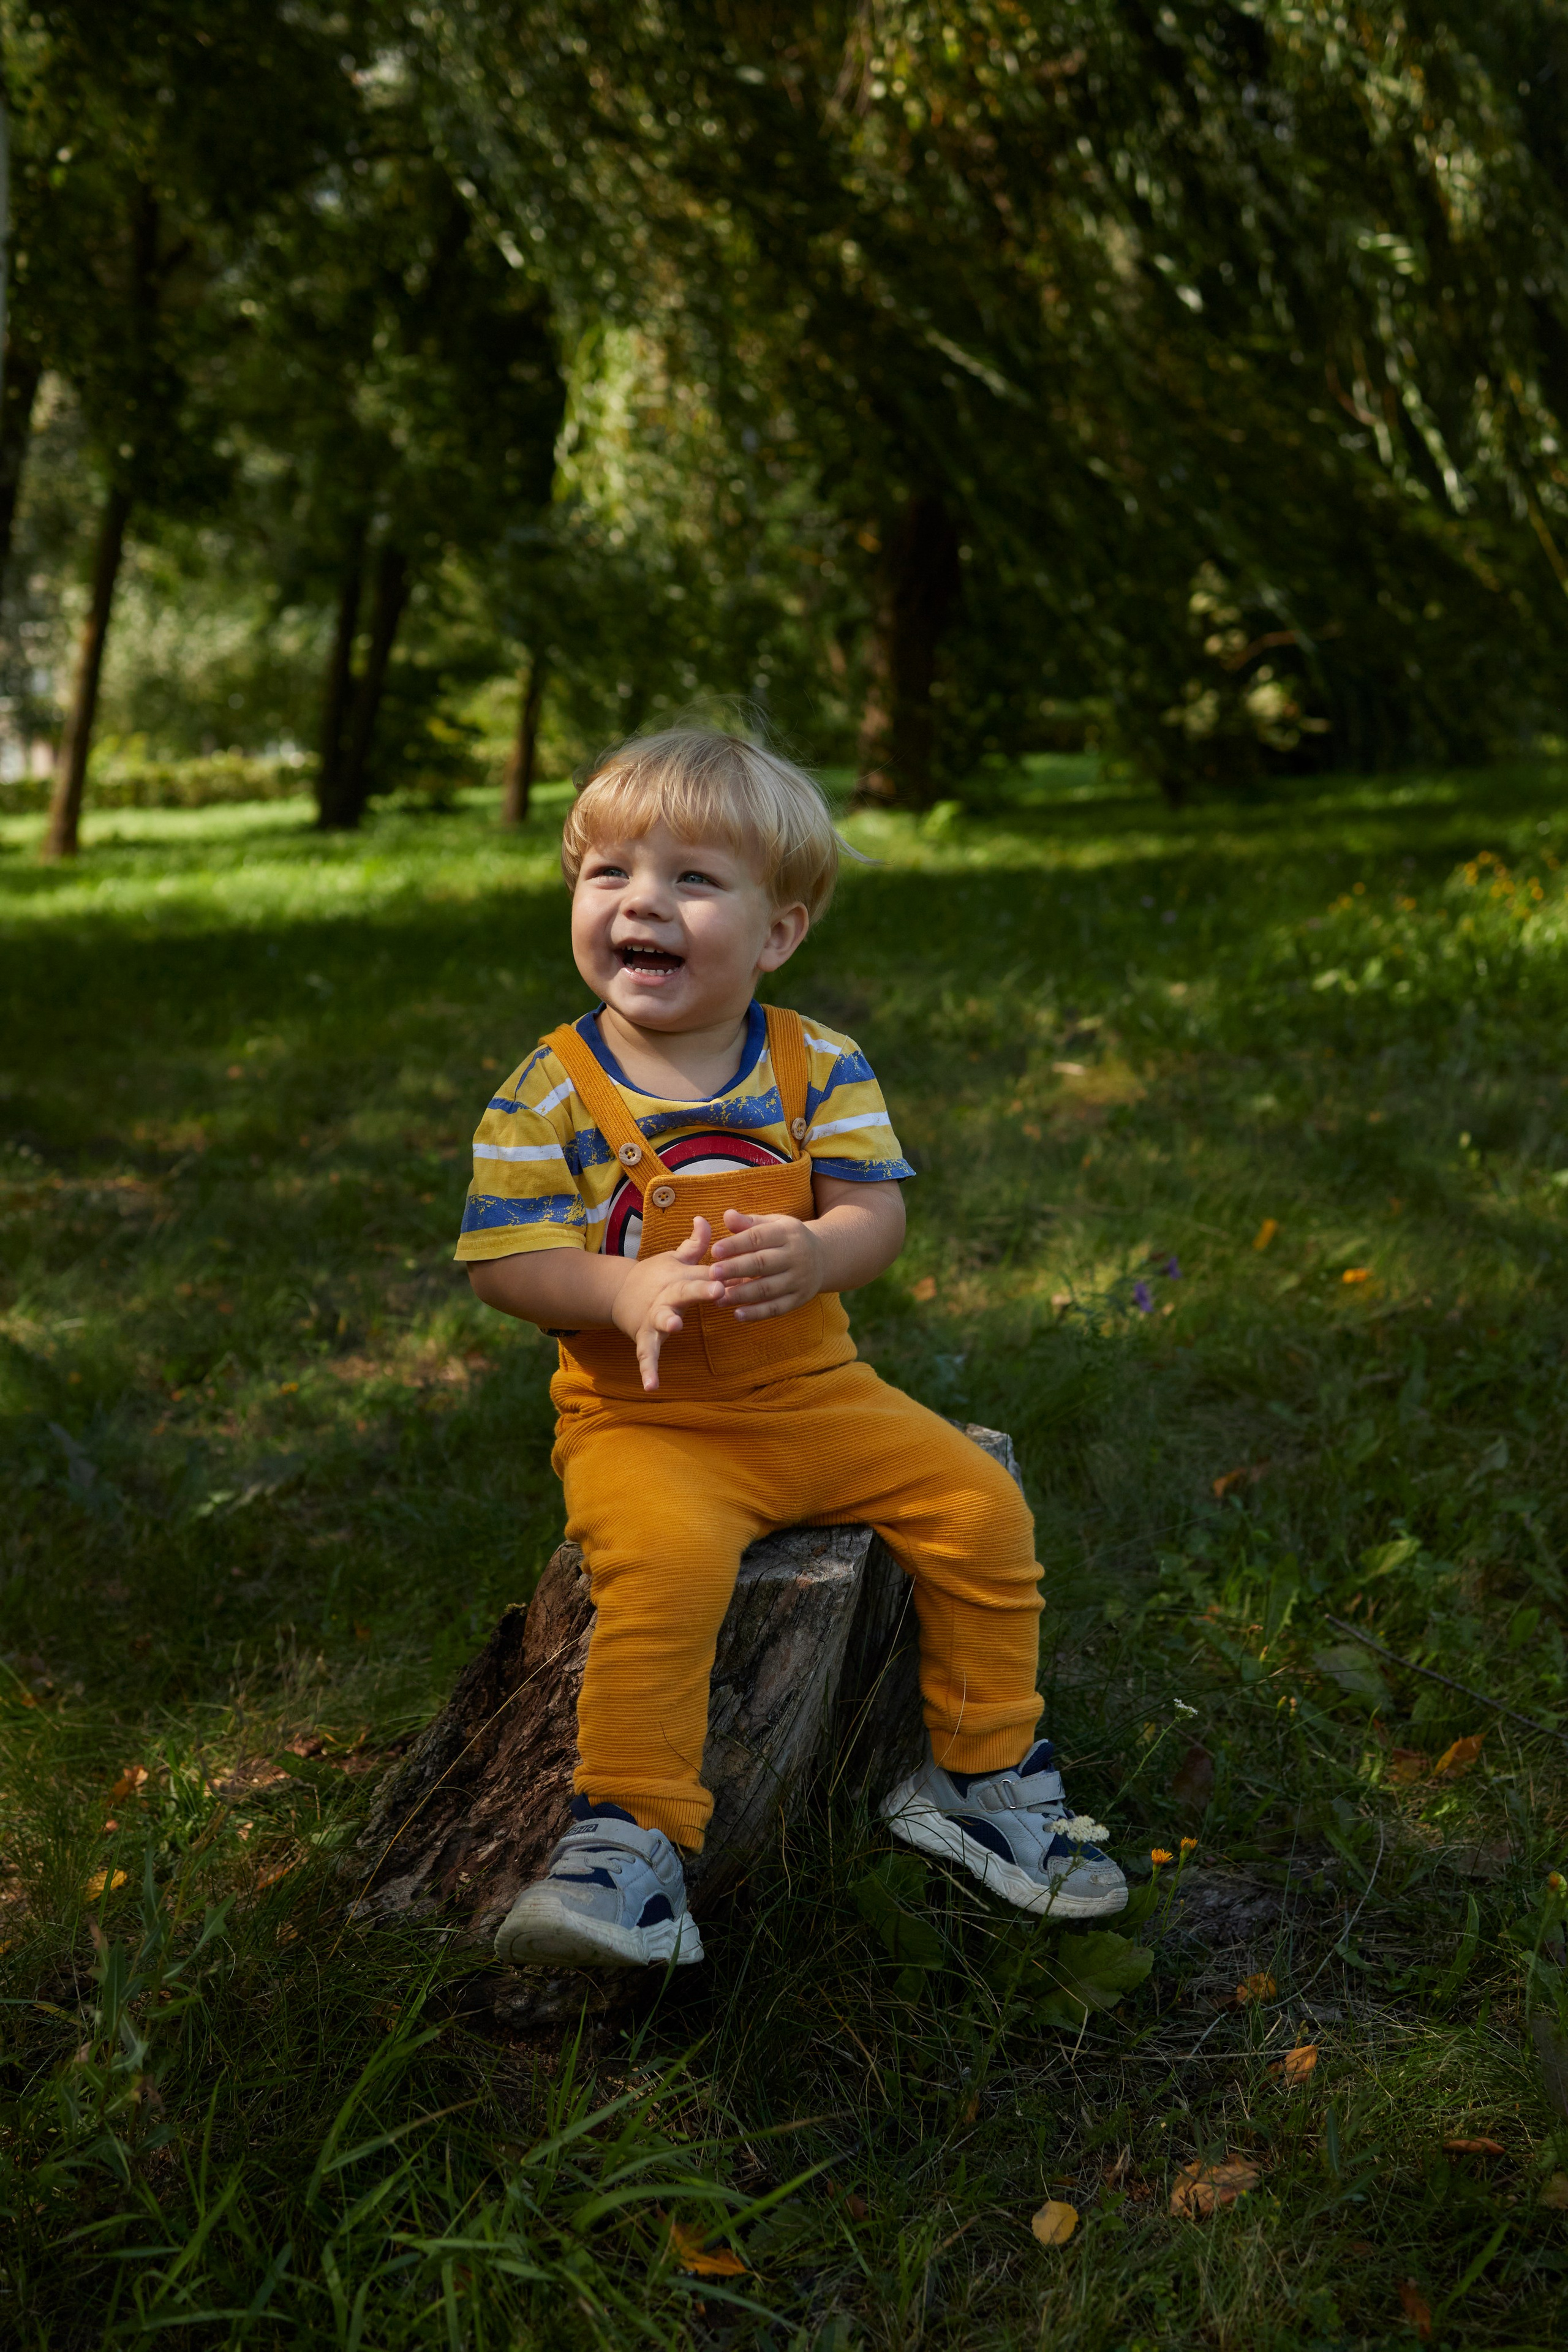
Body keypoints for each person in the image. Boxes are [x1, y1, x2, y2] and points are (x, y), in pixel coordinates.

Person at [457, 727, 1126, 1970]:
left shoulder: (815, 1064)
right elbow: (501, 1259)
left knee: (977, 1505)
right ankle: (626, 1848)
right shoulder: (546, 1091)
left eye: (691, 880)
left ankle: (977, 1775)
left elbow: (875, 1210)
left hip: (813, 1395)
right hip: (642, 1424)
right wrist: (617, 1284)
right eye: (607, 874)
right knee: (657, 1575)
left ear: (777, 933)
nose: (639, 903)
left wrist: (821, 1254)